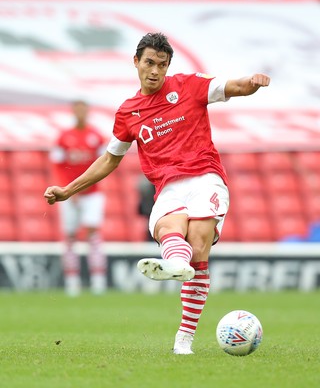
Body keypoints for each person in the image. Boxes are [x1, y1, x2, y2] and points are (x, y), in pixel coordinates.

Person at [44, 33, 270, 352]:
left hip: (205, 177)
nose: (155, 71)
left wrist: (252, 82)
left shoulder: (188, 85)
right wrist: (68, 190)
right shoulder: (128, 112)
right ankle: (177, 263)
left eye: (162, 65)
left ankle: (184, 337)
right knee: (169, 229)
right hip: (168, 186)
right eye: (149, 63)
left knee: (198, 242)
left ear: (168, 67)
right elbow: (110, 159)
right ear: (136, 62)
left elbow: (231, 86)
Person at [50, 100, 107, 296]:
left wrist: (84, 187)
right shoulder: (64, 137)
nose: (81, 113)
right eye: (78, 109)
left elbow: (104, 165)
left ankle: (98, 279)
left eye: (84, 109)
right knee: (70, 235)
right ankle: (72, 281)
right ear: (74, 111)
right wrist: (68, 190)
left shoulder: (96, 136)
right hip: (70, 195)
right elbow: (57, 165)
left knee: (93, 233)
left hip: (92, 193)